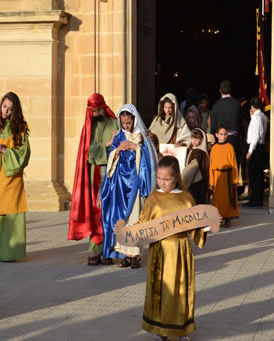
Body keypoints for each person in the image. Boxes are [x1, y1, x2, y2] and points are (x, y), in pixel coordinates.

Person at [140, 155, 209, 341]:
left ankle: (180, 329)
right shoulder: (153, 198)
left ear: (177, 177)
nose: (162, 182)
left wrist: (208, 224)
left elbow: (196, 225)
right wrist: (125, 233)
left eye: (167, 179)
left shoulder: (186, 199)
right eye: (159, 178)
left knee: (179, 289)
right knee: (160, 290)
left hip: (179, 251)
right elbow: (143, 223)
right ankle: (159, 329)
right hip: (159, 251)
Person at [101, 104, 158, 269]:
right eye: (124, 123)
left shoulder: (142, 136)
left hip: (135, 183)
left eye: (129, 122)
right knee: (123, 220)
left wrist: (135, 148)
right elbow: (110, 155)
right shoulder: (119, 136)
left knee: (134, 220)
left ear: (134, 120)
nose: (126, 126)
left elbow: (148, 157)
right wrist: (117, 150)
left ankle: (135, 256)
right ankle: (125, 255)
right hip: (120, 184)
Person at [68, 93, 119, 266]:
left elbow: (118, 145)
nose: (95, 114)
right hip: (92, 175)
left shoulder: (114, 123)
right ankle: (95, 251)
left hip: (110, 173)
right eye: (93, 111)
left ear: (104, 108)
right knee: (94, 210)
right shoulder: (88, 126)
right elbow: (87, 152)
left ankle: (107, 251)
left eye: (98, 110)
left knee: (107, 211)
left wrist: (111, 145)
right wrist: (105, 145)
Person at [0, 92, 31, 262]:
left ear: (15, 111)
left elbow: (24, 155)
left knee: (11, 214)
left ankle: (11, 253)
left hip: (13, 179)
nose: (5, 111)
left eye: (10, 109)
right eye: (4, 107)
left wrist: (6, 151)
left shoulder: (21, 129)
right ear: (0, 105)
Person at [209, 123, 239, 228]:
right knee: (217, 200)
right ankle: (219, 219)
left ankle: (228, 219)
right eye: (221, 134)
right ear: (216, 135)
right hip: (217, 177)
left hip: (228, 177)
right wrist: (211, 183)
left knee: (228, 200)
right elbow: (211, 167)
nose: (223, 136)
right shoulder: (214, 149)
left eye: (225, 134)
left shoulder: (230, 147)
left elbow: (234, 164)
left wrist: (235, 180)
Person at [211, 80, 242, 168]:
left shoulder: (216, 105)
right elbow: (240, 121)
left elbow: (213, 125)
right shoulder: (236, 103)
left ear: (220, 90)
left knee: (222, 164)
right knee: (233, 164)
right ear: (231, 90)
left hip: (220, 140)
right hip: (234, 139)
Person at [244, 96, 268, 207]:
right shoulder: (263, 116)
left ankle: (255, 200)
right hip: (261, 146)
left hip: (255, 147)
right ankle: (257, 198)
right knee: (258, 174)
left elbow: (255, 136)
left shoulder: (256, 118)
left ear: (252, 106)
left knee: (254, 175)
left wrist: (250, 151)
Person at [185, 128, 209, 204]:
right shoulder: (191, 150)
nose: (194, 140)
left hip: (197, 181)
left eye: (197, 138)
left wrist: (184, 178)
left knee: (197, 200)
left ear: (201, 140)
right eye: (192, 138)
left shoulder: (199, 152)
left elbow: (193, 166)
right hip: (192, 180)